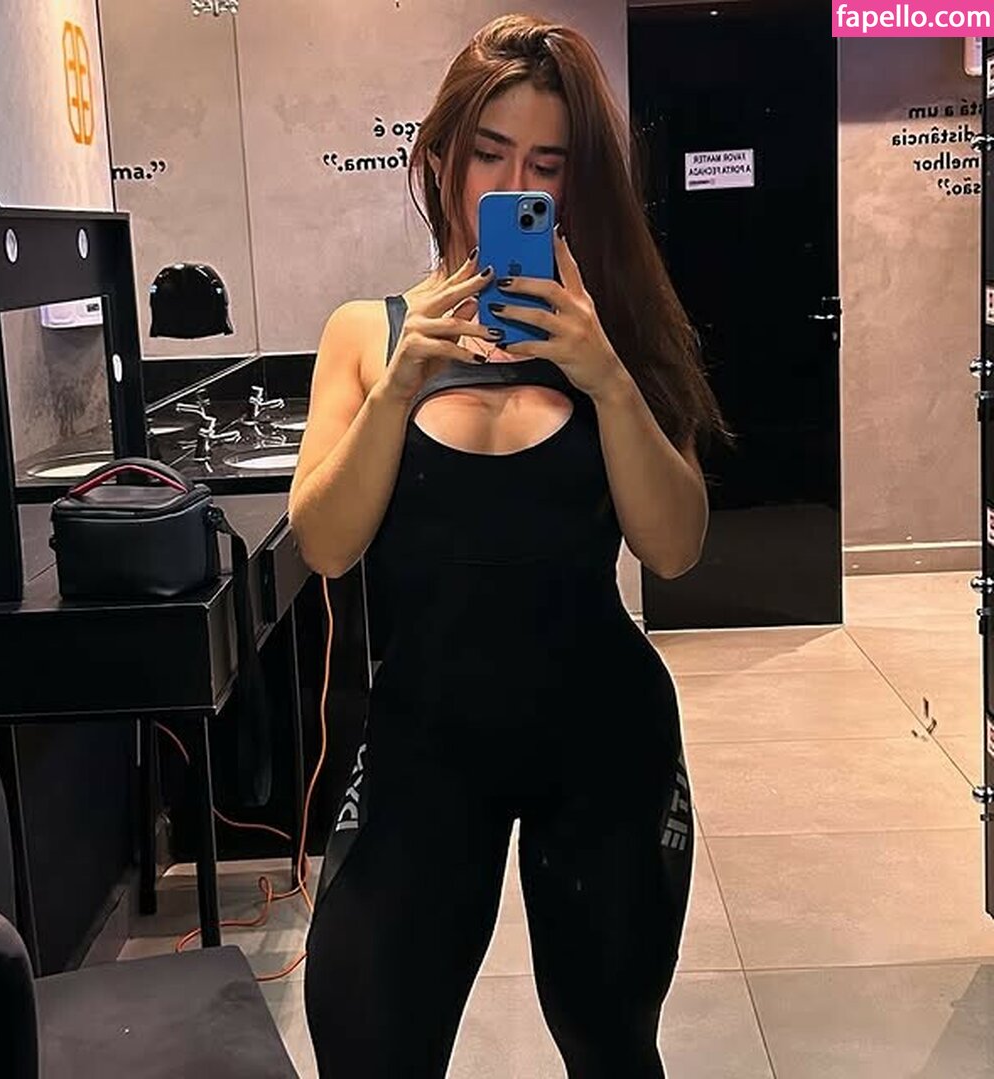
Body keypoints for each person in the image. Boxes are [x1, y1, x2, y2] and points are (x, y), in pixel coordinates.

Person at [287, 13, 729, 1078]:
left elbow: (673, 547)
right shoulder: (367, 334)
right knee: (368, 1038)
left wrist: (606, 374)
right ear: (441, 159)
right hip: (425, 742)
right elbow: (326, 544)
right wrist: (400, 385)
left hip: (603, 740)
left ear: (575, 184)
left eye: (545, 163)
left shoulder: (616, 327)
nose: (512, 183)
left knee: (612, 1044)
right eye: (488, 153)